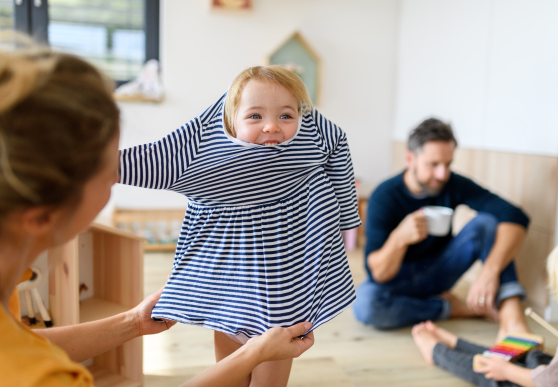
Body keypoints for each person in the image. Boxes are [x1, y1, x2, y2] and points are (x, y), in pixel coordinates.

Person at [0, 45, 313, 387]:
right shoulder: (46, 378)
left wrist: (132, 322)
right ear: (42, 215)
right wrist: (252, 354)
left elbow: (21, 343)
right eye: (109, 172)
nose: (118, 178)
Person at [118, 65, 361, 386]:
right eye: (255, 117)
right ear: (230, 121)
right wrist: (98, 166)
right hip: (229, 289)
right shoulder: (208, 155)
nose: (272, 126)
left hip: (286, 294)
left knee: (269, 376)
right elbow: (151, 160)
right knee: (230, 372)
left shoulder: (313, 141)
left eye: (286, 116)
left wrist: (346, 219)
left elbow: (338, 147)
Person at [353, 118, 530, 337]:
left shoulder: (453, 184)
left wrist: (489, 271)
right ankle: (448, 308)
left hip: (438, 272)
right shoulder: (384, 196)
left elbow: (515, 215)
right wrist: (399, 238)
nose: (442, 174)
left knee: (487, 223)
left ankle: (512, 318)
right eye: (433, 164)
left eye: (448, 164)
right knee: (365, 305)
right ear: (410, 159)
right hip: (396, 280)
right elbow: (377, 274)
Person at [411, 231, 558, 387]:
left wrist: (507, 371)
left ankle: (437, 352)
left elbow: (550, 383)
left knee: (494, 375)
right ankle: (454, 342)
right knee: (530, 356)